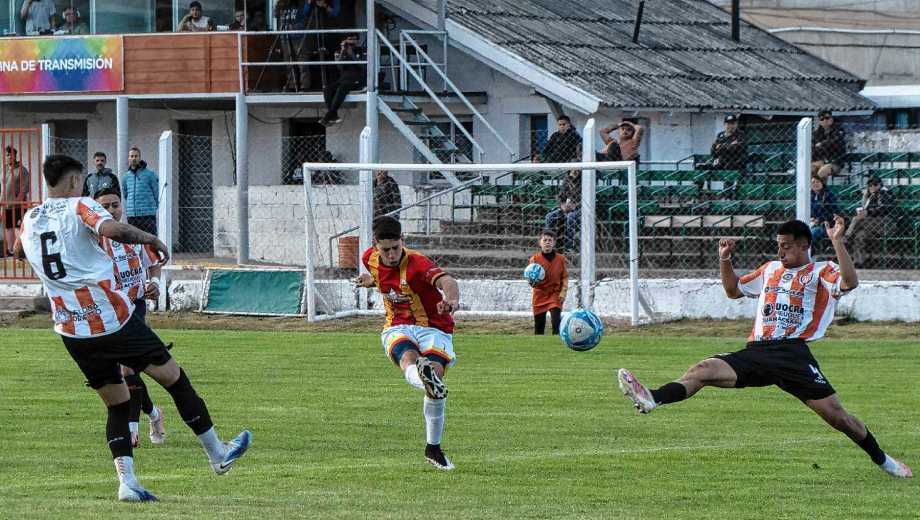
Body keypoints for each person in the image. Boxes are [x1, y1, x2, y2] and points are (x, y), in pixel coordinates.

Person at [13, 155, 252, 502]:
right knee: (174, 377)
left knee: (117, 403)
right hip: (111, 320)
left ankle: (127, 482)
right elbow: (113, 230)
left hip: (72, 331)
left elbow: (19, 251)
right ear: (72, 181)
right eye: (80, 181)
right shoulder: (80, 206)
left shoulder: (31, 218)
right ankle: (217, 453)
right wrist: (150, 238)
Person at [616, 218, 912, 479]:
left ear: (804, 245)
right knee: (703, 370)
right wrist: (725, 260)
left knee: (839, 419)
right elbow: (732, 291)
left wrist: (837, 241)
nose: (780, 252)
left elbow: (850, 281)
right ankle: (653, 398)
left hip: (792, 355)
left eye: (786, 246)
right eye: (778, 246)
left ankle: (883, 460)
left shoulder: (822, 271)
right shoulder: (770, 269)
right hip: (757, 351)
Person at [354, 216, 461, 470]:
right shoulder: (368, 258)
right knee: (407, 358)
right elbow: (383, 278)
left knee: (435, 376)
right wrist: (370, 281)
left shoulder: (417, 263)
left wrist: (452, 300)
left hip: (435, 328)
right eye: (386, 249)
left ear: (403, 240)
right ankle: (424, 378)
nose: (391, 254)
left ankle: (432, 448)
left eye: (396, 248)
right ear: (375, 246)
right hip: (397, 325)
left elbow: (448, 281)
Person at [94, 187, 167, 448]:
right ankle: (155, 414)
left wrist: (155, 283)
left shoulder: (133, 236)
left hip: (134, 306)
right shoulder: (91, 240)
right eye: (105, 206)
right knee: (125, 371)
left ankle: (131, 427)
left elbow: (154, 262)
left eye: (115, 205)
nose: (111, 210)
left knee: (127, 368)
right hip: (107, 310)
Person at [845, 176, 894, 267]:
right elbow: (865, 208)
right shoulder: (870, 195)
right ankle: (859, 261)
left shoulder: (884, 193)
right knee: (859, 235)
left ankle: (846, 238)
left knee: (856, 219)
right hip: (871, 225)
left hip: (885, 223)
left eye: (875, 185)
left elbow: (883, 210)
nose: (872, 187)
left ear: (880, 185)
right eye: (870, 185)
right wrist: (865, 198)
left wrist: (868, 212)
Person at [527, 229, 567, 335]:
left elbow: (565, 277)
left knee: (556, 322)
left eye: (550, 240)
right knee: (539, 329)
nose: (547, 242)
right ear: (540, 243)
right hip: (539, 295)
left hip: (555, 294)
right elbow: (530, 278)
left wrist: (563, 292)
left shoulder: (561, 259)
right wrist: (532, 282)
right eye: (545, 240)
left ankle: (557, 344)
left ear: (554, 243)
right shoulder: (534, 259)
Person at [320, 34, 365, 126]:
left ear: (357, 41)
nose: (351, 41)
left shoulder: (361, 50)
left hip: (357, 79)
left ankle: (328, 116)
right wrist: (342, 52)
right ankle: (333, 115)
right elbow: (339, 67)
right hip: (343, 79)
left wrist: (352, 54)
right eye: (349, 39)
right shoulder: (341, 51)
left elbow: (363, 66)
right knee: (327, 89)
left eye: (354, 39)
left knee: (342, 88)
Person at [121, 147, 159, 235]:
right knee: (134, 241)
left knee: (150, 240)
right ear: (129, 158)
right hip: (132, 215)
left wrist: (153, 207)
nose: (134, 158)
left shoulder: (150, 174)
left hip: (147, 214)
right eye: (131, 156)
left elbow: (156, 192)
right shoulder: (125, 177)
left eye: (136, 156)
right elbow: (125, 194)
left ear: (140, 158)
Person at [2, 146, 31, 257]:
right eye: (7, 155)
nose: (9, 157)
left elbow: (25, 188)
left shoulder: (22, 170)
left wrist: (16, 201)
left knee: (18, 227)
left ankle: (20, 251)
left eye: (11, 155)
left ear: (15, 156)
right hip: (5, 205)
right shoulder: (4, 169)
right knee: (8, 227)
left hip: (18, 205)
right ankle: (10, 251)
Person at [544, 169, 581, 252]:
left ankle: (569, 246)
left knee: (570, 217)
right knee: (549, 216)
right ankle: (548, 243)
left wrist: (575, 206)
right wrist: (562, 205)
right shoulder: (566, 180)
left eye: (576, 170)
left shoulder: (584, 179)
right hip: (565, 207)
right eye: (572, 169)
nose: (574, 172)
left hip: (579, 209)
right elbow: (560, 196)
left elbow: (586, 198)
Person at [812, 110, 847, 181]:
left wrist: (821, 144)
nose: (825, 120)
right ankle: (812, 191)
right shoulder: (816, 133)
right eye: (822, 119)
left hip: (835, 162)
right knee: (810, 169)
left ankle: (822, 190)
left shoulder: (839, 131)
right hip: (820, 160)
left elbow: (834, 142)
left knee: (822, 171)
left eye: (827, 118)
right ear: (819, 122)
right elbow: (813, 148)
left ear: (831, 119)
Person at [809, 176, 837, 244]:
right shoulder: (809, 196)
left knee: (811, 233)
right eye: (813, 182)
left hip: (826, 224)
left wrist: (819, 220)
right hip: (811, 222)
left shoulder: (829, 195)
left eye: (818, 182)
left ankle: (808, 253)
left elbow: (833, 213)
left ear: (822, 183)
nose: (815, 184)